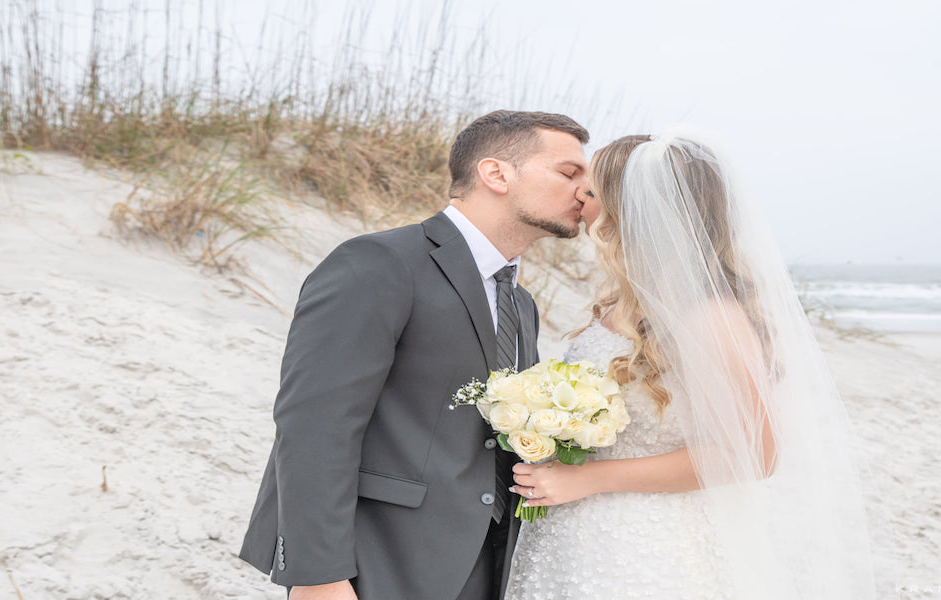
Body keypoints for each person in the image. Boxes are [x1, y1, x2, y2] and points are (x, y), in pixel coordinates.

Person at [505, 131, 875, 599]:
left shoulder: (709, 316)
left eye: (593, 188)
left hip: (649, 544)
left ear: (632, 210)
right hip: (574, 530)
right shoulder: (622, 302)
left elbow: (758, 454)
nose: (579, 192)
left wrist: (586, 477)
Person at [239, 110, 590, 600]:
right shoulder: (380, 262)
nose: (585, 192)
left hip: (487, 564)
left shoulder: (521, 302)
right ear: (496, 174)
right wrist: (317, 575)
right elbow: (315, 423)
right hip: (381, 559)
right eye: (569, 173)